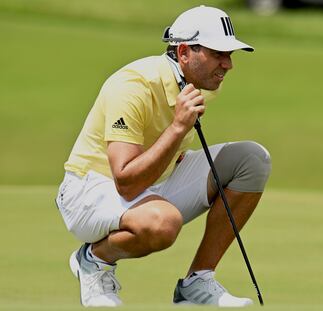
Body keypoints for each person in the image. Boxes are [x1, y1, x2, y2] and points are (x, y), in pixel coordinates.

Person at [56, 5, 271, 308]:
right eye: (218, 53)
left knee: (252, 159)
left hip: (152, 181)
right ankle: (93, 260)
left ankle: (197, 281)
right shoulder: (133, 86)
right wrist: (178, 126)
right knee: (163, 224)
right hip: (89, 192)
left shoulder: (200, 83)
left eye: (230, 55)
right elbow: (126, 182)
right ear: (184, 52)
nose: (228, 65)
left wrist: (177, 145)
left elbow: (168, 148)